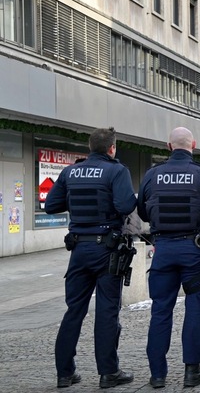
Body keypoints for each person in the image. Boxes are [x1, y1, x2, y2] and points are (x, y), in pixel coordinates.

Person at [44, 127, 137, 389]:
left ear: (90, 147)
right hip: (106, 249)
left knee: (74, 310)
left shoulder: (70, 172)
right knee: (107, 311)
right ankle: (109, 373)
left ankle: (65, 374)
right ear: (112, 148)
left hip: (78, 250)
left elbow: (50, 205)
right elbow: (125, 206)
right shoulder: (117, 171)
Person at [137, 127, 200, 389]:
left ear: (169, 146)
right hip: (194, 250)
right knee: (196, 307)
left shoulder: (152, 175)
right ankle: (192, 370)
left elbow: (142, 212)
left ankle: (157, 375)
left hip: (163, 249)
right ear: (193, 145)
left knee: (160, 310)